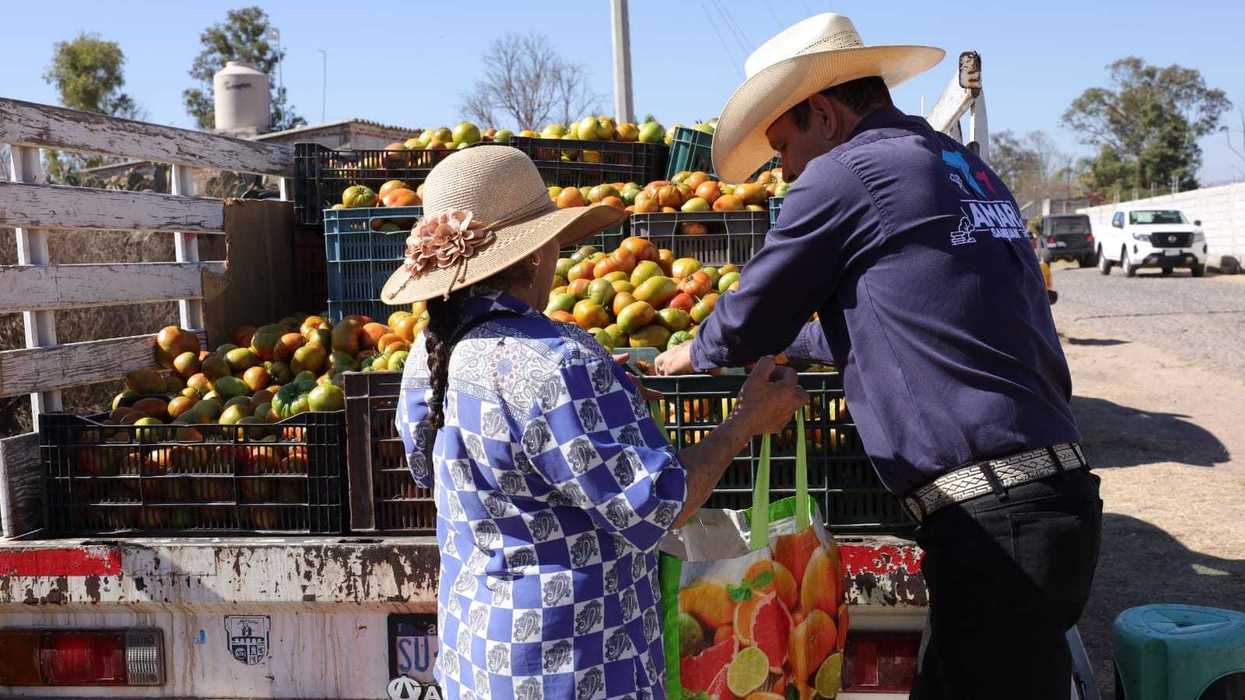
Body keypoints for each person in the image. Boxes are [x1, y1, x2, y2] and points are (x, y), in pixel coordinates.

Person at [654, 13, 1102, 699]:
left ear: (825, 115)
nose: (784, 173)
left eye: (782, 147)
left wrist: (696, 350)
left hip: (997, 520)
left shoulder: (847, 171)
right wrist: (798, 349)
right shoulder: (958, 166)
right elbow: (904, 318)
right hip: (1049, 499)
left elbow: (747, 320)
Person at [383, 146, 808, 700]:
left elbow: (432, 469)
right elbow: (659, 504)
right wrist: (744, 423)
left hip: (480, 660)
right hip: (578, 669)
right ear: (536, 255)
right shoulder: (559, 362)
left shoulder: (427, 354)